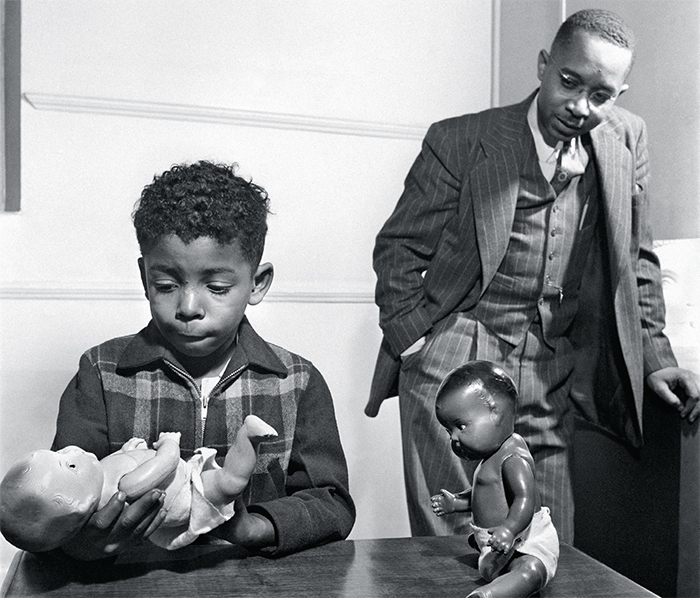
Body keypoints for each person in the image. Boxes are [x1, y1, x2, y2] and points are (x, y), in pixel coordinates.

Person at [366, 9, 700, 543]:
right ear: (545, 65)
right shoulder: (462, 139)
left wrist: (658, 357)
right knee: (457, 546)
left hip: (553, 369)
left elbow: (637, 259)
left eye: (601, 94)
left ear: (620, 93)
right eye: (569, 82)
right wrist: (416, 344)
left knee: (547, 543)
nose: (580, 106)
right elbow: (399, 247)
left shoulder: (627, 138)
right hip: (458, 356)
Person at [51, 160, 356, 560]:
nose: (188, 307)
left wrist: (253, 527)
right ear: (145, 279)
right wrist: (84, 542)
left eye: (216, 287)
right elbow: (58, 498)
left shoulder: (296, 382)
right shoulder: (101, 374)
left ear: (257, 284)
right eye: (166, 284)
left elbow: (331, 505)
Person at [1, 416, 276, 553]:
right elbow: (164, 465)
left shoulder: (99, 476)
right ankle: (248, 437)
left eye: (60, 454)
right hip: (189, 492)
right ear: (83, 505)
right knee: (230, 482)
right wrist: (170, 444)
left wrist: (129, 450)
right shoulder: (122, 490)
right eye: (70, 466)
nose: (72, 450)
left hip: (182, 478)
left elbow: (122, 462)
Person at [431, 361, 558, 598]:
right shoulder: (490, 455)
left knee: (530, 570)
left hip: (525, 541)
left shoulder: (513, 457)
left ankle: (490, 595)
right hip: (497, 540)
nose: (454, 439)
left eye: (461, 426)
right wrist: (457, 503)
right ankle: (491, 562)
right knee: (492, 564)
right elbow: (486, 494)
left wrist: (510, 530)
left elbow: (524, 499)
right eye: (450, 432)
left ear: (495, 412)